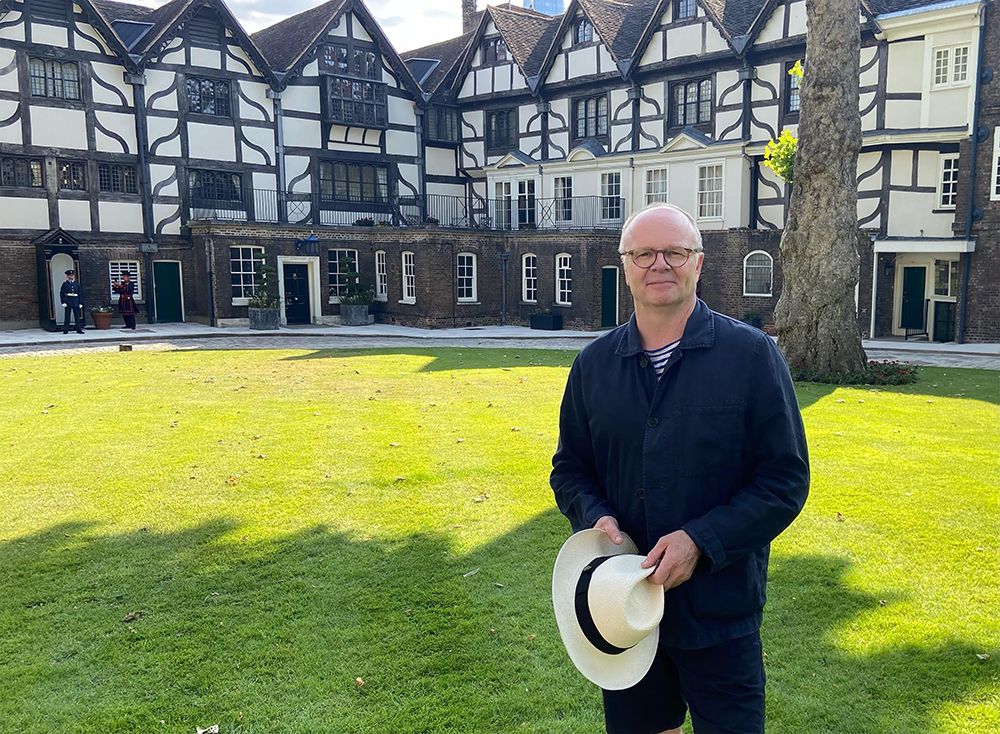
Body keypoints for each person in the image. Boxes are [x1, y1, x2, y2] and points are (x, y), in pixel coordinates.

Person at [550, 203, 809, 734]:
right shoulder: (594, 366)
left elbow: (784, 481)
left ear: (698, 262)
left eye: (675, 252)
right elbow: (570, 468)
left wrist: (700, 540)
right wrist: (595, 517)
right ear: (625, 266)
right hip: (624, 610)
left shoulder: (751, 356)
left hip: (721, 612)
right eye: (644, 253)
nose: (659, 264)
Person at [59, 269, 85, 334]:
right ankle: (66, 329)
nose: (71, 276)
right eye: (70, 275)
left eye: (72, 275)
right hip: (68, 301)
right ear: (67, 276)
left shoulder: (77, 284)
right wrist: (63, 302)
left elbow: (80, 293)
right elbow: (62, 294)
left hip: (76, 301)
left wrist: (80, 302)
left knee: (77, 316)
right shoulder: (65, 284)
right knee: (67, 316)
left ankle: (78, 329)